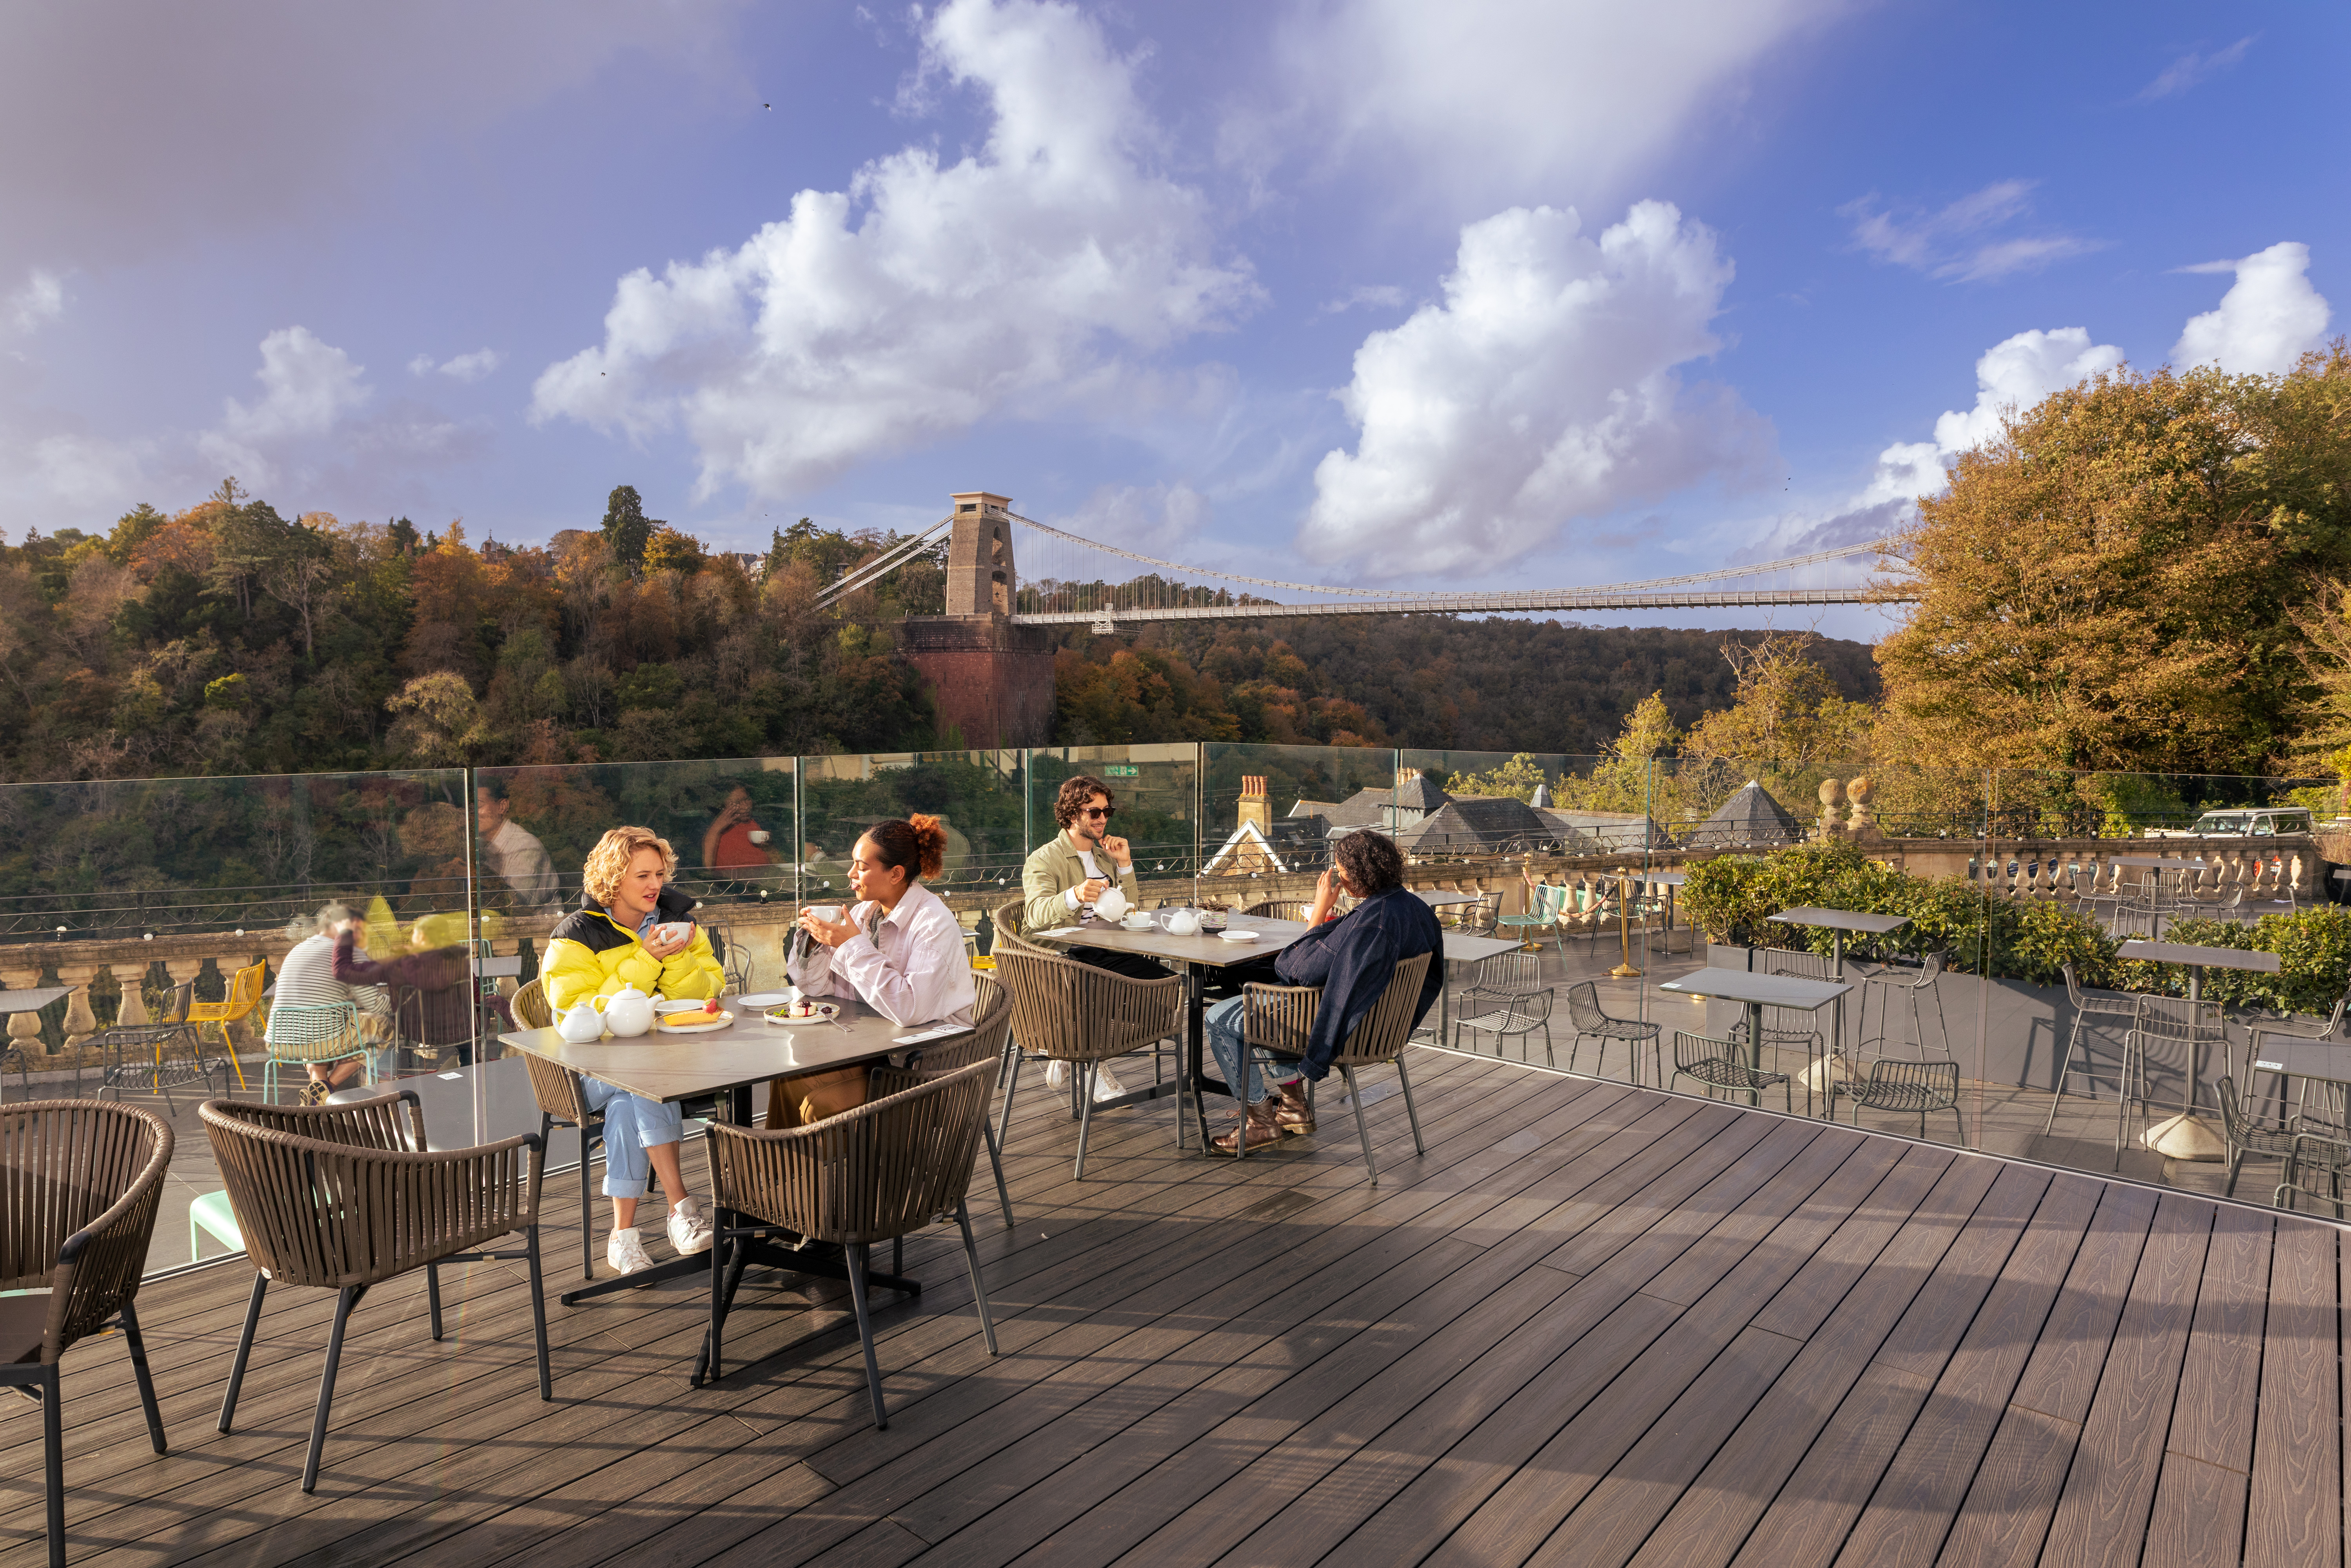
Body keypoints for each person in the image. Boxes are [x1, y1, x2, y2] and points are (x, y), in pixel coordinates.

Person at [541, 826, 725, 1275]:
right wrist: (646, 958)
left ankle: (623, 1237)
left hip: (658, 1066)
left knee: (632, 1098)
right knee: (640, 1085)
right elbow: (582, 1011)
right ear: (613, 879)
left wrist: (676, 954)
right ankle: (681, 1208)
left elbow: (712, 988)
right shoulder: (573, 936)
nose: (654, 885)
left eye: (659, 873)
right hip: (586, 1074)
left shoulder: (678, 921)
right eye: (642, 875)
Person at [1203, 829, 1443, 1152]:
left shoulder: (1371, 924)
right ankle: (1292, 1108)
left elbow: (1297, 970)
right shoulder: (1416, 909)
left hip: (1343, 1031)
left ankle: (1259, 1122)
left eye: (1340, 872)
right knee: (1274, 1004)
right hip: (1382, 1028)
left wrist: (1319, 910)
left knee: (1220, 1017)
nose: (1339, 880)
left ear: (1358, 873)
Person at [777, 814, 976, 1127]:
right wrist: (816, 942)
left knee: (819, 1105)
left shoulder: (932, 923)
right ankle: (780, 1173)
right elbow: (814, 987)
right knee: (788, 1079)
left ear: (896, 874)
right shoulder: (864, 913)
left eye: (862, 866)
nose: (851, 874)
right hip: (872, 1051)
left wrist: (852, 946)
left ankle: (843, 1175)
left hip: (924, 1065)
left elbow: (909, 1009)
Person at [1020, 773, 1147, 1098]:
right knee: (1097, 987)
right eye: (1094, 812)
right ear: (1072, 813)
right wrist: (1075, 895)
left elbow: (1128, 910)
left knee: (1159, 987)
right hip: (1058, 955)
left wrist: (1125, 866)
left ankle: (1070, 1050)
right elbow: (1034, 915)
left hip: (1100, 950)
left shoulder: (1105, 856)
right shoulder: (1044, 859)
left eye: (1107, 812)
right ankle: (1091, 1063)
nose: (1102, 818)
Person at [269, 903, 396, 1103]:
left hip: (280, 1042)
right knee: (383, 1026)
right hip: (320, 1040)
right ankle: (328, 1089)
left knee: (314, 1033)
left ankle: (318, 1088)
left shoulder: (298, 949)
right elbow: (377, 1004)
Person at [477, 779, 560, 912]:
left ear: (502, 807)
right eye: (469, 808)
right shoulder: (480, 844)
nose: (472, 814)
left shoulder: (526, 847)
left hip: (538, 929)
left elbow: (512, 905)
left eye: (479, 806)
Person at [703, 786, 776, 874]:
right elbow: (707, 867)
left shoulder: (757, 824)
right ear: (723, 806)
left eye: (747, 799)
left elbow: (777, 862)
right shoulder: (710, 827)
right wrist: (716, 828)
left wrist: (769, 847)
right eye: (737, 803)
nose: (746, 807)